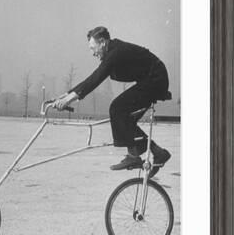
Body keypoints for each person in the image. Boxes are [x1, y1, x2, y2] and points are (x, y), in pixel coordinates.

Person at [53, 26, 172, 173]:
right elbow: (93, 77)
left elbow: (96, 78)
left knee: (117, 108)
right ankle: (159, 153)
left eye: (92, 48)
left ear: (102, 42)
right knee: (125, 118)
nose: (92, 53)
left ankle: (134, 156)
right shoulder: (113, 50)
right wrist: (66, 95)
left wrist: (69, 99)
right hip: (151, 79)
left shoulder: (115, 52)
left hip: (156, 79)